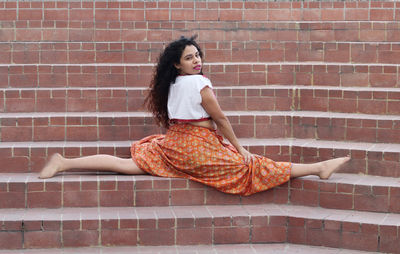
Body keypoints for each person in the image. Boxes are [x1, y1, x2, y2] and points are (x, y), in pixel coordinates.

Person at [39, 36, 350, 196]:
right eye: (189, 58)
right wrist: (241, 150)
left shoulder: (172, 83)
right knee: (252, 167)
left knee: (127, 166)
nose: (197, 60)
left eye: (198, 55)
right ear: (178, 64)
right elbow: (223, 120)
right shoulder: (200, 83)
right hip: (194, 148)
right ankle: (319, 167)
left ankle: (64, 162)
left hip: (175, 143)